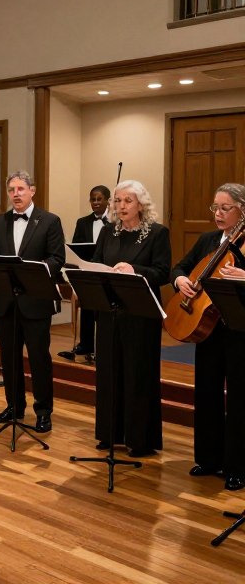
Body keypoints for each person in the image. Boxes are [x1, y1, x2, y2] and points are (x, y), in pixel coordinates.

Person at [172, 182, 245, 490]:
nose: (218, 213)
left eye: (225, 208)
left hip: (240, 330)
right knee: (206, 392)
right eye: (214, 207)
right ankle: (208, 458)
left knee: (240, 399)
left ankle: (238, 466)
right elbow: (180, 267)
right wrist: (180, 281)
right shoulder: (207, 240)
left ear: (242, 210)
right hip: (208, 328)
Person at [91, 180, 170, 458]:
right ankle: (109, 433)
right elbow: (97, 262)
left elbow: (163, 272)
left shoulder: (157, 234)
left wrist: (134, 269)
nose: (121, 206)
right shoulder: (108, 232)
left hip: (140, 313)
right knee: (109, 370)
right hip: (110, 310)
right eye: (118, 201)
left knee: (138, 373)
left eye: (128, 201)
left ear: (141, 205)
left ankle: (140, 438)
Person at [0, 170, 65, 433]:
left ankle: (43, 411)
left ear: (32, 190)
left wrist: (33, 271)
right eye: (11, 190)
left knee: (39, 358)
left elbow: (56, 259)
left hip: (36, 301)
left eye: (20, 189)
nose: (15, 194)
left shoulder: (50, 221)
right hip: (8, 302)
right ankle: (14, 406)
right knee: (9, 359)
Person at [58, 184, 110, 362]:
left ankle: (104, 346)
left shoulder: (115, 223)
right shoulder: (83, 222)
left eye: (99, 199)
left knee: (103, 310)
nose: (95, 203)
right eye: (92, 199)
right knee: (87, 306)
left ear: (108, 201)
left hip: (107, 271)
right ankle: (86, 343)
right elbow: (76, 247)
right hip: (88, 270)